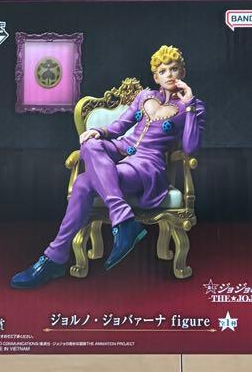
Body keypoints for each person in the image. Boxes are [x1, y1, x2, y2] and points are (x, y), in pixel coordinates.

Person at [11, 45, 205, 288]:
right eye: (163, 70)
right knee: (90, 144)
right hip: (122, 149)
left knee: (83, 183)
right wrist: (99, 131)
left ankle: (54, 258)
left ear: (182, 72)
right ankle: (123, 220)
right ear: (156, 77)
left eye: (174, 69)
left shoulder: (193, 107)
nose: (169, 75)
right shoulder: (144, 97)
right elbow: (120, 126)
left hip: (147, 165)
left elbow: (190, 147)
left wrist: (189, 106)